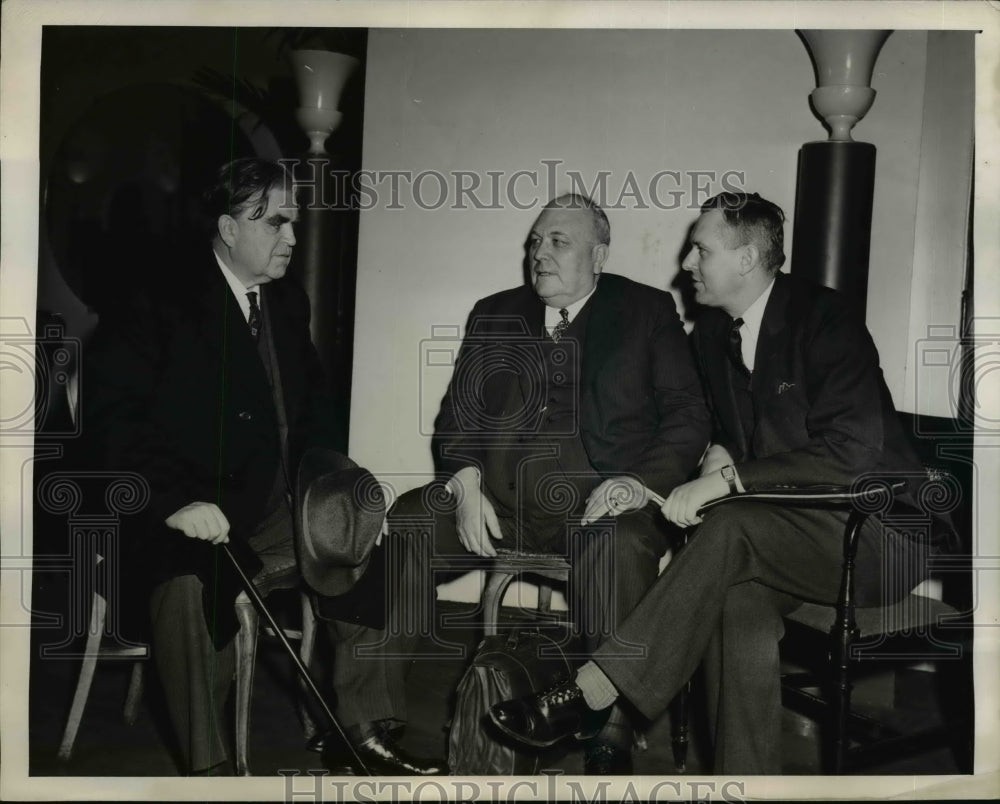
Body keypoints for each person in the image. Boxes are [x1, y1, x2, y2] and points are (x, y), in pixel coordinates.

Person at [488, 191, 952, 774]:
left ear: (747, 258)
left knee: (731, 526)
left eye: (700, 249)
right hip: (791, 535)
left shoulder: (825, 319)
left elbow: (851, 453)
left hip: (880, 534)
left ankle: (593, 689)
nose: (685, 262)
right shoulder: (712, 334)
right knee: (737, 602)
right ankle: (746, 782)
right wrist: (714, 460)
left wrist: (727, 482)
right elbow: (728, 424)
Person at [323, 193, 711, 775]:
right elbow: (457, 418)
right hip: (499, 505)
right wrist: (465, 481)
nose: (540, 254)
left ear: (599, 255)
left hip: (603, 509)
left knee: (620, 546)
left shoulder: (646, 311)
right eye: (535, 241)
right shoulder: (495, 313)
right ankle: (367, 726)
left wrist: (637, 483)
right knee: (408, 520)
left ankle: (612, 733)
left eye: (559, 242)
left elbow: (688, 416)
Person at [82, 157, 443, 776]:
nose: (293, 238)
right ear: (227, 228)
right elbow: (113, 422)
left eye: (293, 223)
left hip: (274, 510)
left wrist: (343, 496)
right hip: (179, 511)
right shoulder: (154, 300)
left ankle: (365, 730)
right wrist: (176, 501)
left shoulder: (285, 304)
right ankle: (209, 769)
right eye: (275, 223)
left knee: (393, 554)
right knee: (188, 589)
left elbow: (316, 419)